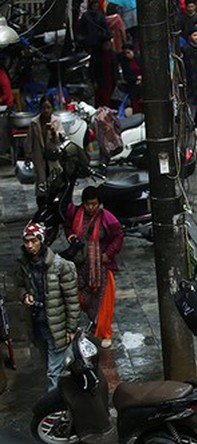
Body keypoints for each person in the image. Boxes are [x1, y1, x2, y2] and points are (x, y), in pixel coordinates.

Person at [14, 222, 79, 391]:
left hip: (57, 326)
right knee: (50, 366)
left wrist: (71, 328)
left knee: (54, 371)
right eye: (27, 241)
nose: (30, 245)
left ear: (41, 241)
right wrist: (24, 295)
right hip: (37, 324)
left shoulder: (59, 265)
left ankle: (55, 408)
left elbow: (72, 298)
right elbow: (19, 285)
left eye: (33, 241)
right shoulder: (24, 265)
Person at [63, 185, 124, 349]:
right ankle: (91, 324)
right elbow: (67, 225)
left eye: (94, 204)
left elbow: (118, 236)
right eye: (88, 204)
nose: (91, 207)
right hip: (81, 265)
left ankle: (104, 332)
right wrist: (71, 236)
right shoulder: (75, 214)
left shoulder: (106, 218)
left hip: (101, 267)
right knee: (80, 297)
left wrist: (108, 254)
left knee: (104, 301)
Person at [26, 96, 65, 203]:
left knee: (55, 183)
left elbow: (60, 140)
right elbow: (29, 140)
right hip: (39, 158)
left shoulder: (56, 121)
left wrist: (53, 133)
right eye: (44, 108)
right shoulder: (34, 123)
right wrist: (28, 155)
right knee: (41, 185)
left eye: (48, 107)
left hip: (52, 157)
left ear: (52, 108)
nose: (46, 110)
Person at [116, 43, 143, 113]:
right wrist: (136, 78)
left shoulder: (139, 58)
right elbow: (126, 76)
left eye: (129, 52)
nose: (128, 55)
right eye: (125, 53)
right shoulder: (125, 63)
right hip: (133, 85)